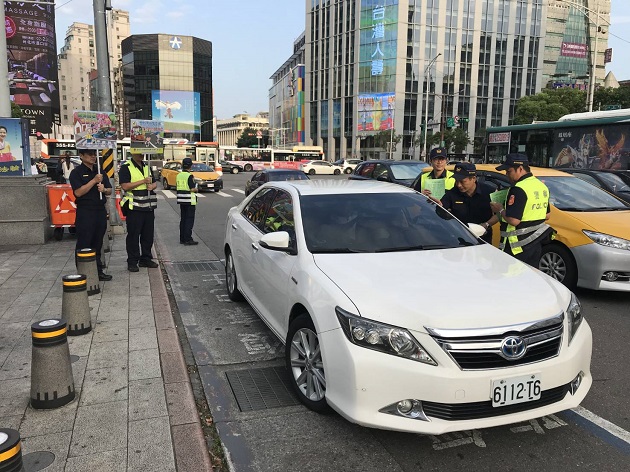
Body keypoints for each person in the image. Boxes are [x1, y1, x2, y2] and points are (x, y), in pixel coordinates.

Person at [489, 153, 553, 267]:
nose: (507, 175)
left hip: (516, 247)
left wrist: (500, 209)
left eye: (509, 171)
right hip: (535, 244)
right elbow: (547, 215)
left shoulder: (518, 189)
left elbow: (514, 221)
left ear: (520, 168)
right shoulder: (541, 186)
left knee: (512, 278)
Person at [69, 148, 113, 281]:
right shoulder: (76, 173)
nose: (93, 157)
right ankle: (83, 272)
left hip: (99, 210)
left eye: (94, 154)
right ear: (81, 156)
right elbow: (78, 193)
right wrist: (94, 181)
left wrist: (104, 189)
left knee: (97, 242)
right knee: (84, 242)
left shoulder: (100, 171)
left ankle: (98, 271)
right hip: (85, 211)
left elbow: (110, 190)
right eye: (89, 154)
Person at [439, 162, 497, 243]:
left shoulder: (490, 192)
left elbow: (499, 214)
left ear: (473, 178)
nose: (458, 185)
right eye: (456, 181)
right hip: (459, 239)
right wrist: (438, 206)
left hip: (482, 240)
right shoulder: (452, 193)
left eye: (462, 181)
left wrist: (486, 225)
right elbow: (441, 209)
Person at [119, 152, 159, 272]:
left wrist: (152, 186)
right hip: (134, 208)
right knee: (133, 236)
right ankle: (132, 261)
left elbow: (154, 182)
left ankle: (145, 258)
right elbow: (125, 186)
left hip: (148, 207)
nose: (141, 155)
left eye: (143, 153)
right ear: (133, 152)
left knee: (148, 235)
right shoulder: (126, 167)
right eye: (139, 152)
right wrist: (143, 181)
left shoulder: (147, 166)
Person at [176, 157, 199, 245]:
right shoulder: (189, 176)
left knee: (183, 220)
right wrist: (196, 188)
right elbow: (192, 189)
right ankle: (188, 239)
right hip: (189, 201)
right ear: (190, 165)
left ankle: (182, 238)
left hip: (181, 200)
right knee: (189, 220)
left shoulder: (179, 175)